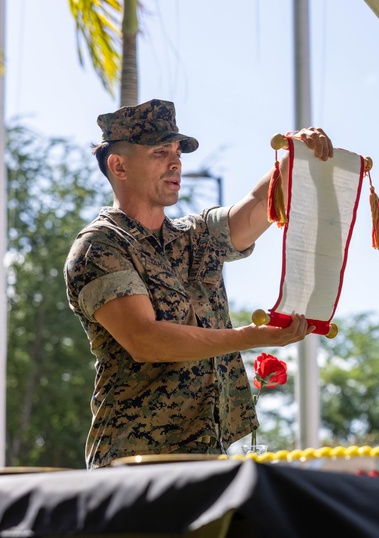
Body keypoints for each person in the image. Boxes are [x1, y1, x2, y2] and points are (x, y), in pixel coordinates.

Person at [64, 99, 332, 469]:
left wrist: (293, 158)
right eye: (160, 152)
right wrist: (253, 337)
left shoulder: (194, 236)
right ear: (118, 165)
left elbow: (258, 203)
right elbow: (145, 339)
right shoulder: (101, 245)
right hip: (134, 462)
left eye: (177, 152)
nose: (176, 163)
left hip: (207, 457)